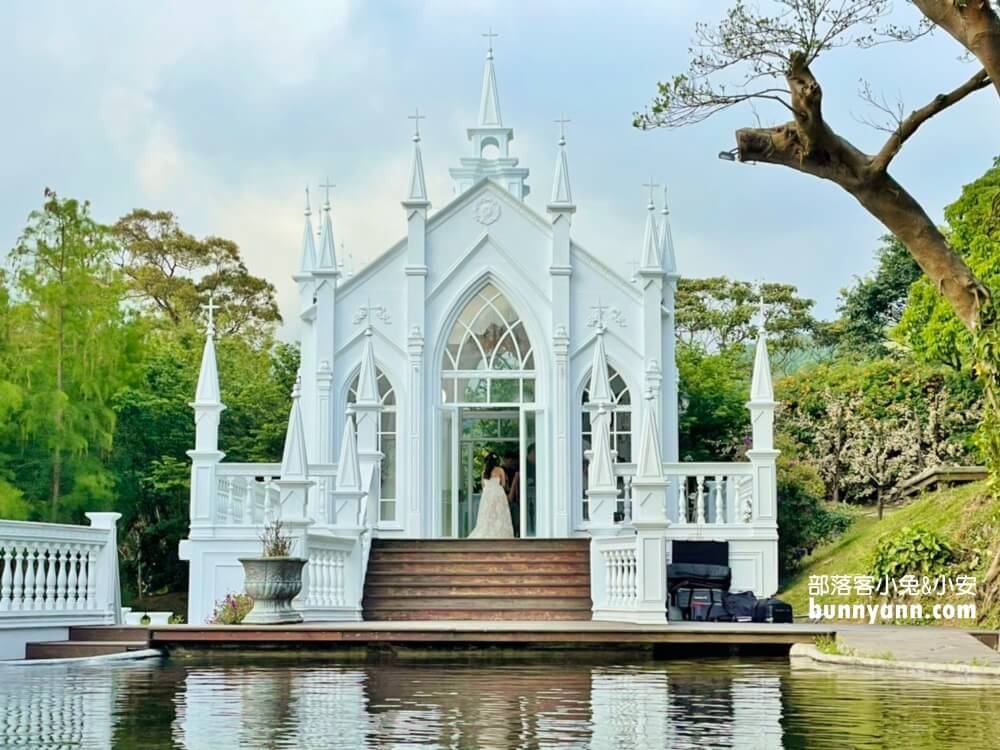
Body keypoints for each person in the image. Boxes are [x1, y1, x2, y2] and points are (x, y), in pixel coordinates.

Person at [468, 452, 514, 539]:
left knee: (487, 514)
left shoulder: (484, 472)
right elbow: (503, 484)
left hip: (487, 495)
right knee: (499, 514)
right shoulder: (500, 470)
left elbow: (483, 486)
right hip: (498, 494)